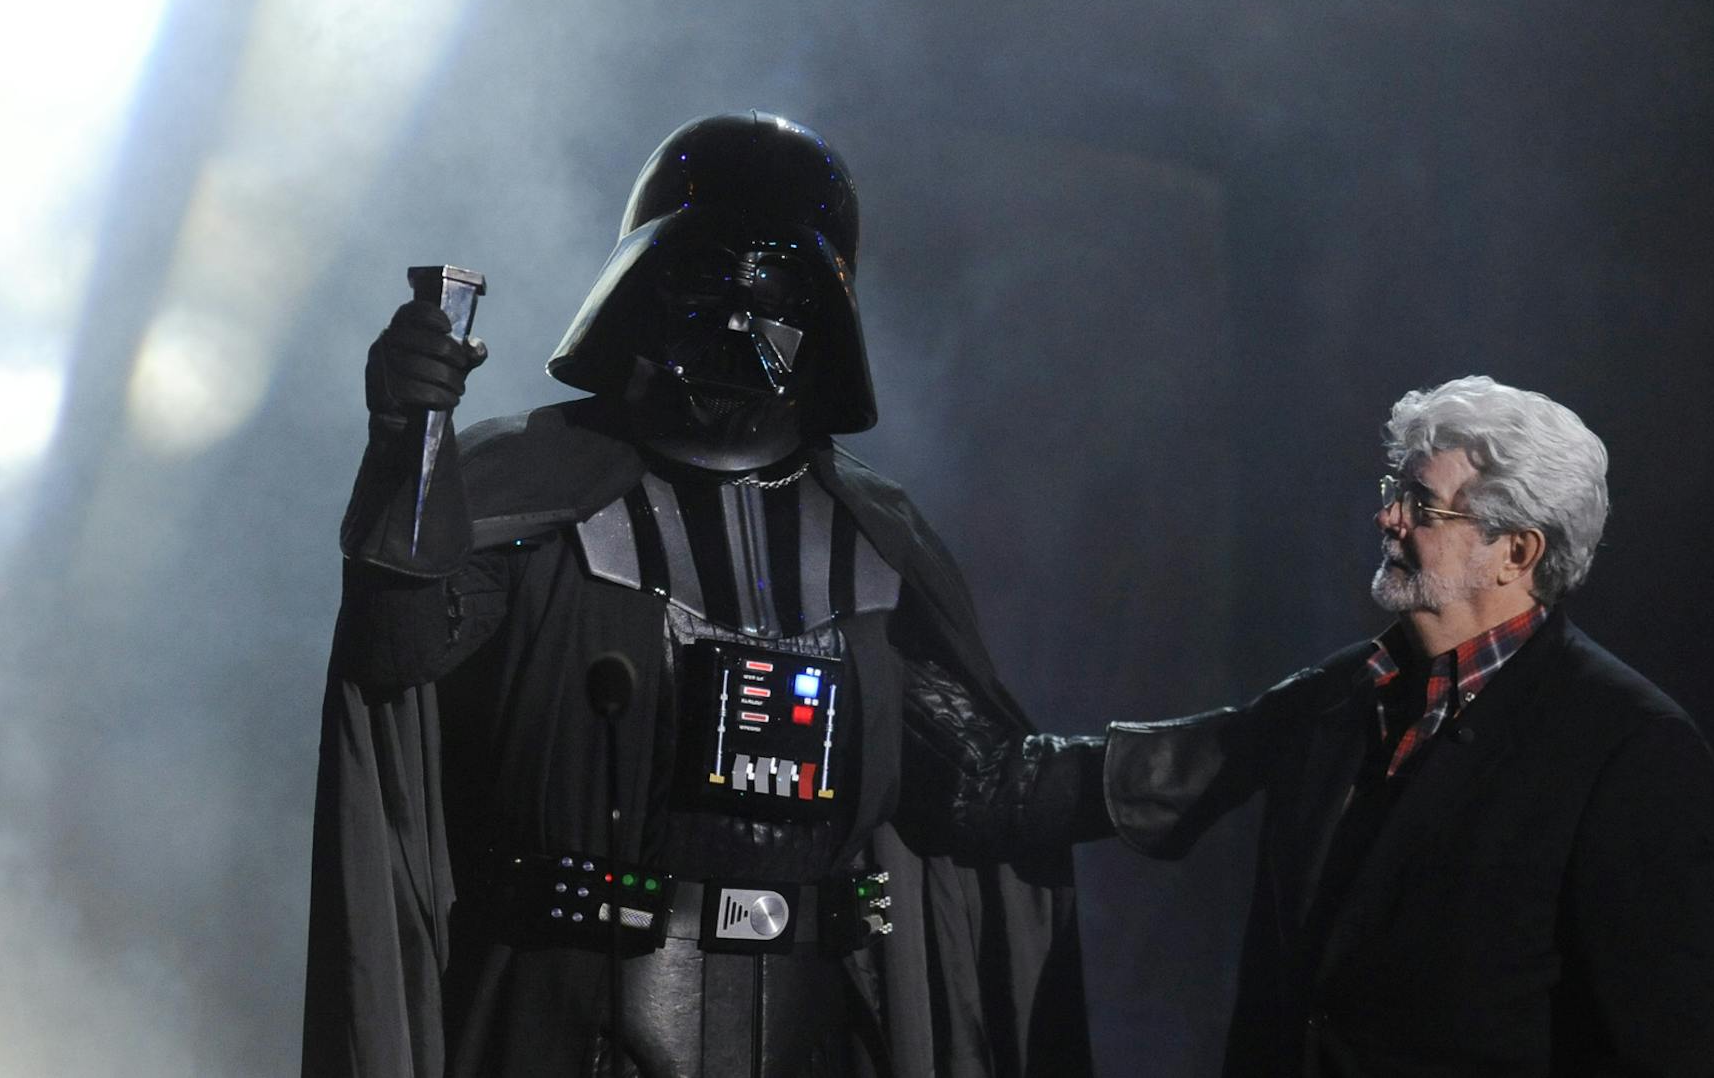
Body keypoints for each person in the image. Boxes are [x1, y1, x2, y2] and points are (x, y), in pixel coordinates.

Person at [300, 112, 1111, 1077]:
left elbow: (987, 784)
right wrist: (406, 443)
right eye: (701, 279)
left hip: (809, 1025)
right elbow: (396, 651)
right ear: (639, 290)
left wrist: (1257, 739)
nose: (735, 320)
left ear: (825, 314)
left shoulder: (873, 539)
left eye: (775, 291)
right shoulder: (530, 490)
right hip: (567, 1019)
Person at [1103, 376, 1714, 1075]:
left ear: (1517, 553)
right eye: (1391, 493)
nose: (1388, 519)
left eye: (1423, 506)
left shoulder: (1630, 746)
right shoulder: (1339, 694)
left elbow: (1669, 1047)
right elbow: (1177, 771)